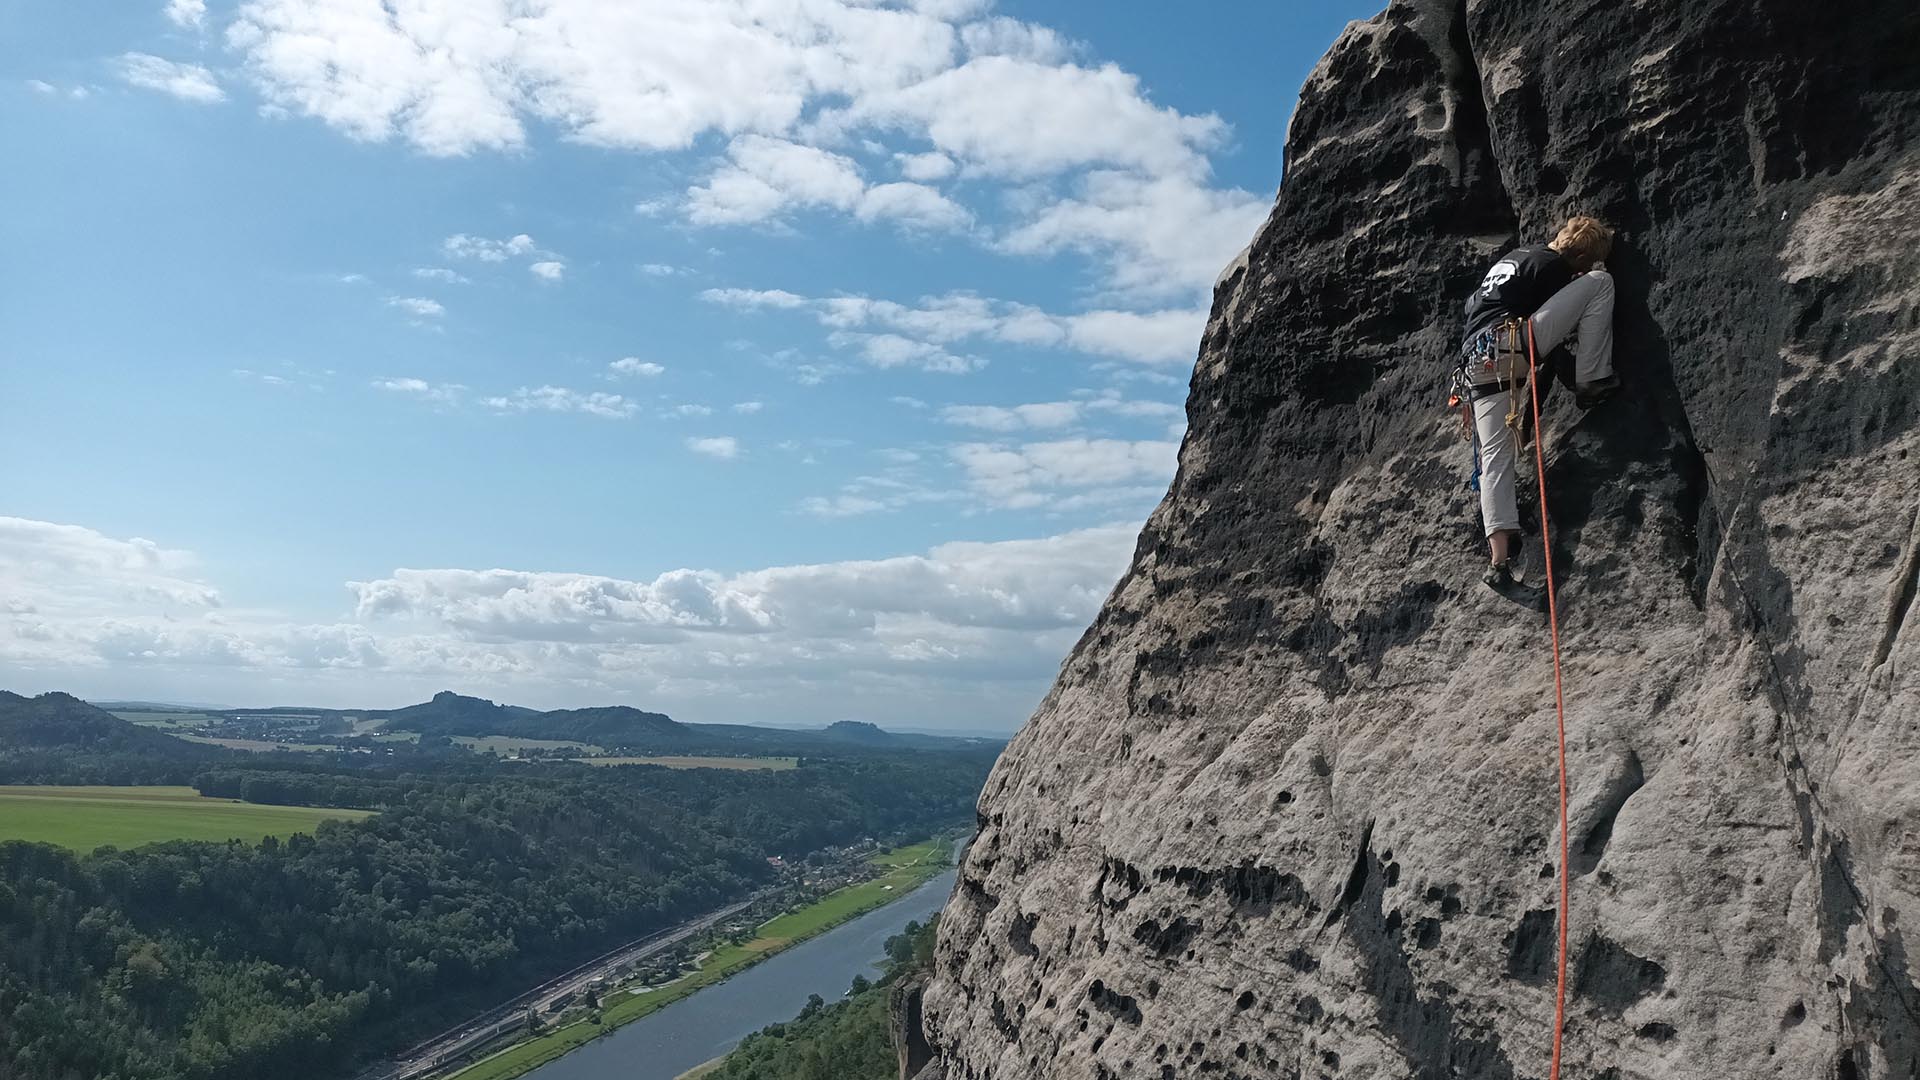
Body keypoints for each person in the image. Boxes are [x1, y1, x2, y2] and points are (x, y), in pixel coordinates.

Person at [1458, 215, 1623, 603]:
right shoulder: (1553, 265)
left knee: (1494, 458)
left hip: (1475, 363)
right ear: (1578, 255)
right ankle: (1592, 378)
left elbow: (1471, 306)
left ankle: (1499, 563)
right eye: (1585, 262)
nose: (1581, 269)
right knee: (1600, 284)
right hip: (1509, 344)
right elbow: (1561, 315)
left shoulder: (1517, 259)